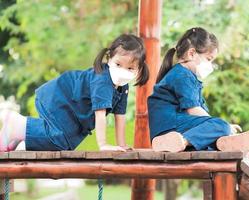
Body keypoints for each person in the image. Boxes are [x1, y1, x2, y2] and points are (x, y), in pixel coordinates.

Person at [0, 34, 149, 152]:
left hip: (72, 109)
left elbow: (120, 116)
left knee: (66, 144)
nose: (123, 71)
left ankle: (17, 134)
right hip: (58, 97)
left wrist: (121, 145)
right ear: (109, 58)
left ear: (139, 69)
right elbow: (100, 115)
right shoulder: (103, 81)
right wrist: (103, 144)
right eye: (118, 64)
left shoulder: (123, 87)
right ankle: (18, 124)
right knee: (59, 139)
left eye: (130, 68)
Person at [148, 27, 249, 152]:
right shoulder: (182, 74)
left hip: (177, 127)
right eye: (209, 59)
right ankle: (182, 141)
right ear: (191, 53)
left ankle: (222, 141)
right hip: (170, 127)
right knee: (221, 125)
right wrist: (221, 126)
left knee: (212, 139)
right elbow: (194, 110)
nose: (210, 65)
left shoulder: (189, 77)